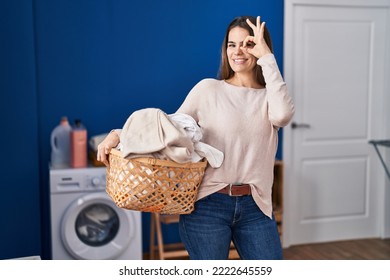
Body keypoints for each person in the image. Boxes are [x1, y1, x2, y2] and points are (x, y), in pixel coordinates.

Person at [97, 15, 294, 260]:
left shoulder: (269, 98)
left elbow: (284, 115)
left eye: (248, 44)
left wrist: (267, 59)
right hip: (208, 205)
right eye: (232, 44)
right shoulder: (208, 89)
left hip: (256, 206)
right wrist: (118, 135)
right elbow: (168, 129)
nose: (238, 51)